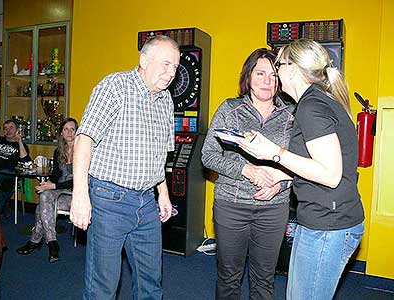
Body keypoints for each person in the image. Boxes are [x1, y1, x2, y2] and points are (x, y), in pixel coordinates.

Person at [239, 39, 365, 300]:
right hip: (328, 221)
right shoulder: (320, 101)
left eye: (278, 65)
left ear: (293, 70)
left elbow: (331, 175)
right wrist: (282, 174)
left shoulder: (311, 107)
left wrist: (274, 152)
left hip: (327, 226)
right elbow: (325, 162)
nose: (275, 72)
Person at [70, 35, 179, 300]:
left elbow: (159, 155)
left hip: (146, 202)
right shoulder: (115, 86)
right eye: (166, 64)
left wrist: (162, 193)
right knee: (103, 286)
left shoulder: (165, 100)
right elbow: (84, 139)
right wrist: (80, 195)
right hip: (109, 199)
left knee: (151, 283)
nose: (171, 73)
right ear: (144, 60)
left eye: (175, 67)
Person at [201, 48, 295, 300]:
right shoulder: (230, 110)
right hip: (231, 206)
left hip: (274, 208)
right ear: (248, 76)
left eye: (274, 75)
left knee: (264, 278)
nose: (267, 80)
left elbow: (305, 163)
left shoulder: (291, 115)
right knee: (229, 276)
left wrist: (280, 184)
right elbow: (207, 156)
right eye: (260, 73)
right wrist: (246, 170)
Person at [16, 118, 78, 263]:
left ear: (76, 132)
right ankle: (52, 242)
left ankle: (36, 240)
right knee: (44, 196)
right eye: (65, 129)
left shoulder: (83, 151)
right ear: (61, 133)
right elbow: (56, 176)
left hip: (76, 195)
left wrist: (54, 187)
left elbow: (81, 180)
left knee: (41, 206)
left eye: (72, 129)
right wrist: (47, 183)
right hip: (58, 192)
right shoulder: (58, 152)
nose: (69, 132)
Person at [0, 119, 31, 218]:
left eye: (11, 128)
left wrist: (19, 142)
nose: (8, 130)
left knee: (5, 186)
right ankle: (2, 208)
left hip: (9, 176)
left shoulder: (21, 146)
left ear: (16, 130)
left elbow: (26, 162)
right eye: (5, 128)